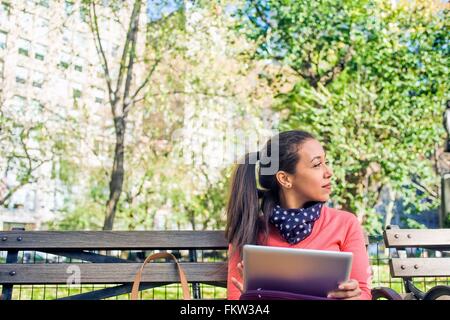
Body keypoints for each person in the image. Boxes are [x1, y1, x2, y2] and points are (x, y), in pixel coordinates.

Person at [225, 130, 372, 300]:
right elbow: (236, 301)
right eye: (317, 164)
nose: (329, 172)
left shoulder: (346, 223)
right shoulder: (248, 229)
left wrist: (353, 296)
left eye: (326, 162)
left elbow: (363, 292)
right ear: (285, 179)